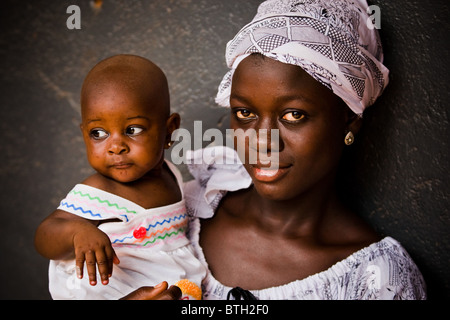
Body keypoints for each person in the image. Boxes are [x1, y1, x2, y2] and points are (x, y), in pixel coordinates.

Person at [181, 0, 427, 299]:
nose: (262, 141)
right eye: (245, 114)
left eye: (293, 115)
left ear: (349, 122)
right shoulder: (181, 214)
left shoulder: (377, 280)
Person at [34, 54, 205, 300]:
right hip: (110, 286)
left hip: (165, 281)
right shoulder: (98, 190)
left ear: (169, 129)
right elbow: (44, 235)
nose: (115, 147)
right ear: (84, 134)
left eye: (132, 130)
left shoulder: (171, 175)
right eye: (98, 133)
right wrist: (77, 232)